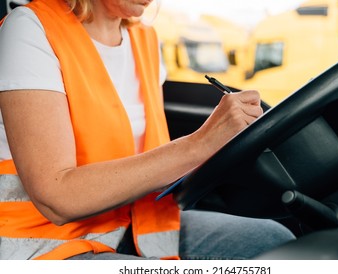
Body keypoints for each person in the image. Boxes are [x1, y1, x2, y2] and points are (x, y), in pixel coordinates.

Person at [0, 0, 295, 260]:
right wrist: (199, 144)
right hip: (42, 245)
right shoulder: (29, 31)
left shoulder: (145, 38)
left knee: (273, 242)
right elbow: (56, 198)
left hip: (136, 222)